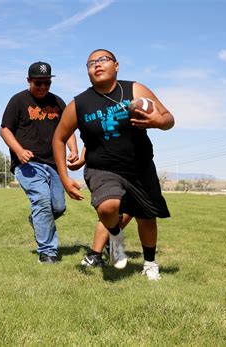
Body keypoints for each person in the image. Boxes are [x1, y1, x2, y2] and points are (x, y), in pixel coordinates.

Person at [53, 49, 174, 280]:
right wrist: (64, 178)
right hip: (102, 168)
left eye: (103, 60)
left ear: (116, 65)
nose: (97, 65)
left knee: (147, 217)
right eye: (91, 63)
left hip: (140, 166)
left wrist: (159, 121)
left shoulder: (135, 90)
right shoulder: (79, 104)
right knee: (107, 207)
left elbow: (169, 118)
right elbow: (58, 138)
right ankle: (116, 236)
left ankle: (150, 263)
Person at [0, 61, 79, 264]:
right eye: (38, 83)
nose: (43, 87)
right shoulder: (18, 101)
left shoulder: (58, 102)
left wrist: (74, 149)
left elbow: (67, 129)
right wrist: (18, 151)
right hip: (28, 164)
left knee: (59, 207)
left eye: (47, 83)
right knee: (42, 201)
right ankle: (48, 252)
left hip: (54, 164)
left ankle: (37, 219)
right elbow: (5, 129)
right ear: (29, 80)